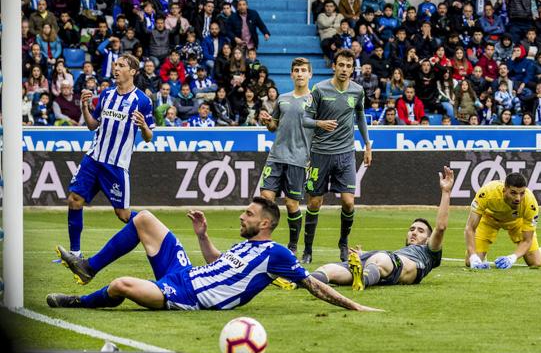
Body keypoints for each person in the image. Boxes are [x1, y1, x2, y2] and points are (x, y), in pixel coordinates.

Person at [47, 198, 380, 312]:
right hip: (185, 273)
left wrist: (354, 305)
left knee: (122, 284)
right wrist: (203, 238)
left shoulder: (275, 253)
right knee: (144, 219)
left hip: (186, 295)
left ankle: (81, 301)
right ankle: (89, 267)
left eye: (248, 214)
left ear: (264, 223)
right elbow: (217, 264)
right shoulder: (246, 247)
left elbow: (313, 285)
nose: (241, 216)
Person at [64, 54, 155, 260]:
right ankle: (75, 254)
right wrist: (85, 108)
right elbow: (92, 125)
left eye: (121, 66)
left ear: (132, 72)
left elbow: (149, 137)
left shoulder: (142, 101)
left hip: (115, 165)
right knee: (74, 200)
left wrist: (143, 127)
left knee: (123, 215)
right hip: (93, 158)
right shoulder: (106, 95)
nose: (116, 68)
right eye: (115, 65)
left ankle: (152, 226)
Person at [305, 166, 453, 291]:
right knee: (328, 269)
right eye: (412, 229)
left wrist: (446, 192)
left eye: (420, 231)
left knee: (380, 260)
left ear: (428, 239)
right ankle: (296, 280)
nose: (414, 232)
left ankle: (361, 279)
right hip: (379, 260)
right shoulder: (400, 252)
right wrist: (365, 254)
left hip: (390, 262)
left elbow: (440, 227)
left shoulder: (429, 253)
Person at [302, 49, 373, 264]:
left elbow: (360, 116)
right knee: (314, 202)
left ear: (353, 69)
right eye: (341, 65)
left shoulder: (357, 91)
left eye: (348, 66)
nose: (344, 69)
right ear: (334, 66)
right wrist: (320, 123)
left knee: (348, 202)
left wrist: (367, 145)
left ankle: (343, 243)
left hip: (345, 154)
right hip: (320, 154)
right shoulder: (320, 89)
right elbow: (305, 119)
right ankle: (307, 250)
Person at [258, 58, 326, 254]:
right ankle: (263, 245)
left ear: (310, 75)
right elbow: (274, 127)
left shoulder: (316, 101)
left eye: (303, 70)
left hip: (298, 159)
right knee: (265, 199)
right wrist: (267, 121)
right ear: (291, 74)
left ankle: (293, 245)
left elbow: (321, 131)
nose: (299, 73)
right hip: (276, 156)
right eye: (296, 70)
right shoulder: (282, 99)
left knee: (291, 204)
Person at [464, 172, 541, 270]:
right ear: (504, 190)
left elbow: (527, 240)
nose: (518, 198)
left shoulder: (530, 203)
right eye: (513, 193)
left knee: (535, 262)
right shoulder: (487, 193)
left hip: (516, 222)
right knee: (470, 262)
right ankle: (481, 255)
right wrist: (473, 256)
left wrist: (512, 258)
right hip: (489, 220)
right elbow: (470, 228)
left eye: (522, 193)